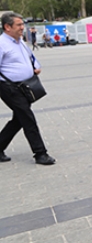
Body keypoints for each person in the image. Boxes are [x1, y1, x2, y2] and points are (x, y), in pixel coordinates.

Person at [0, 13, 56, 165]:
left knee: (19, 119)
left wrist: (35, 67)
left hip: (25, 86)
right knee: (27, 118)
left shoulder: (20, 42)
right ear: (7, 27)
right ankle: (40, 153)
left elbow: (31, 58)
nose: (22, 27)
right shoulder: (1, 43)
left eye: (22, 24)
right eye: (18, 25)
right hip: (9, 87)